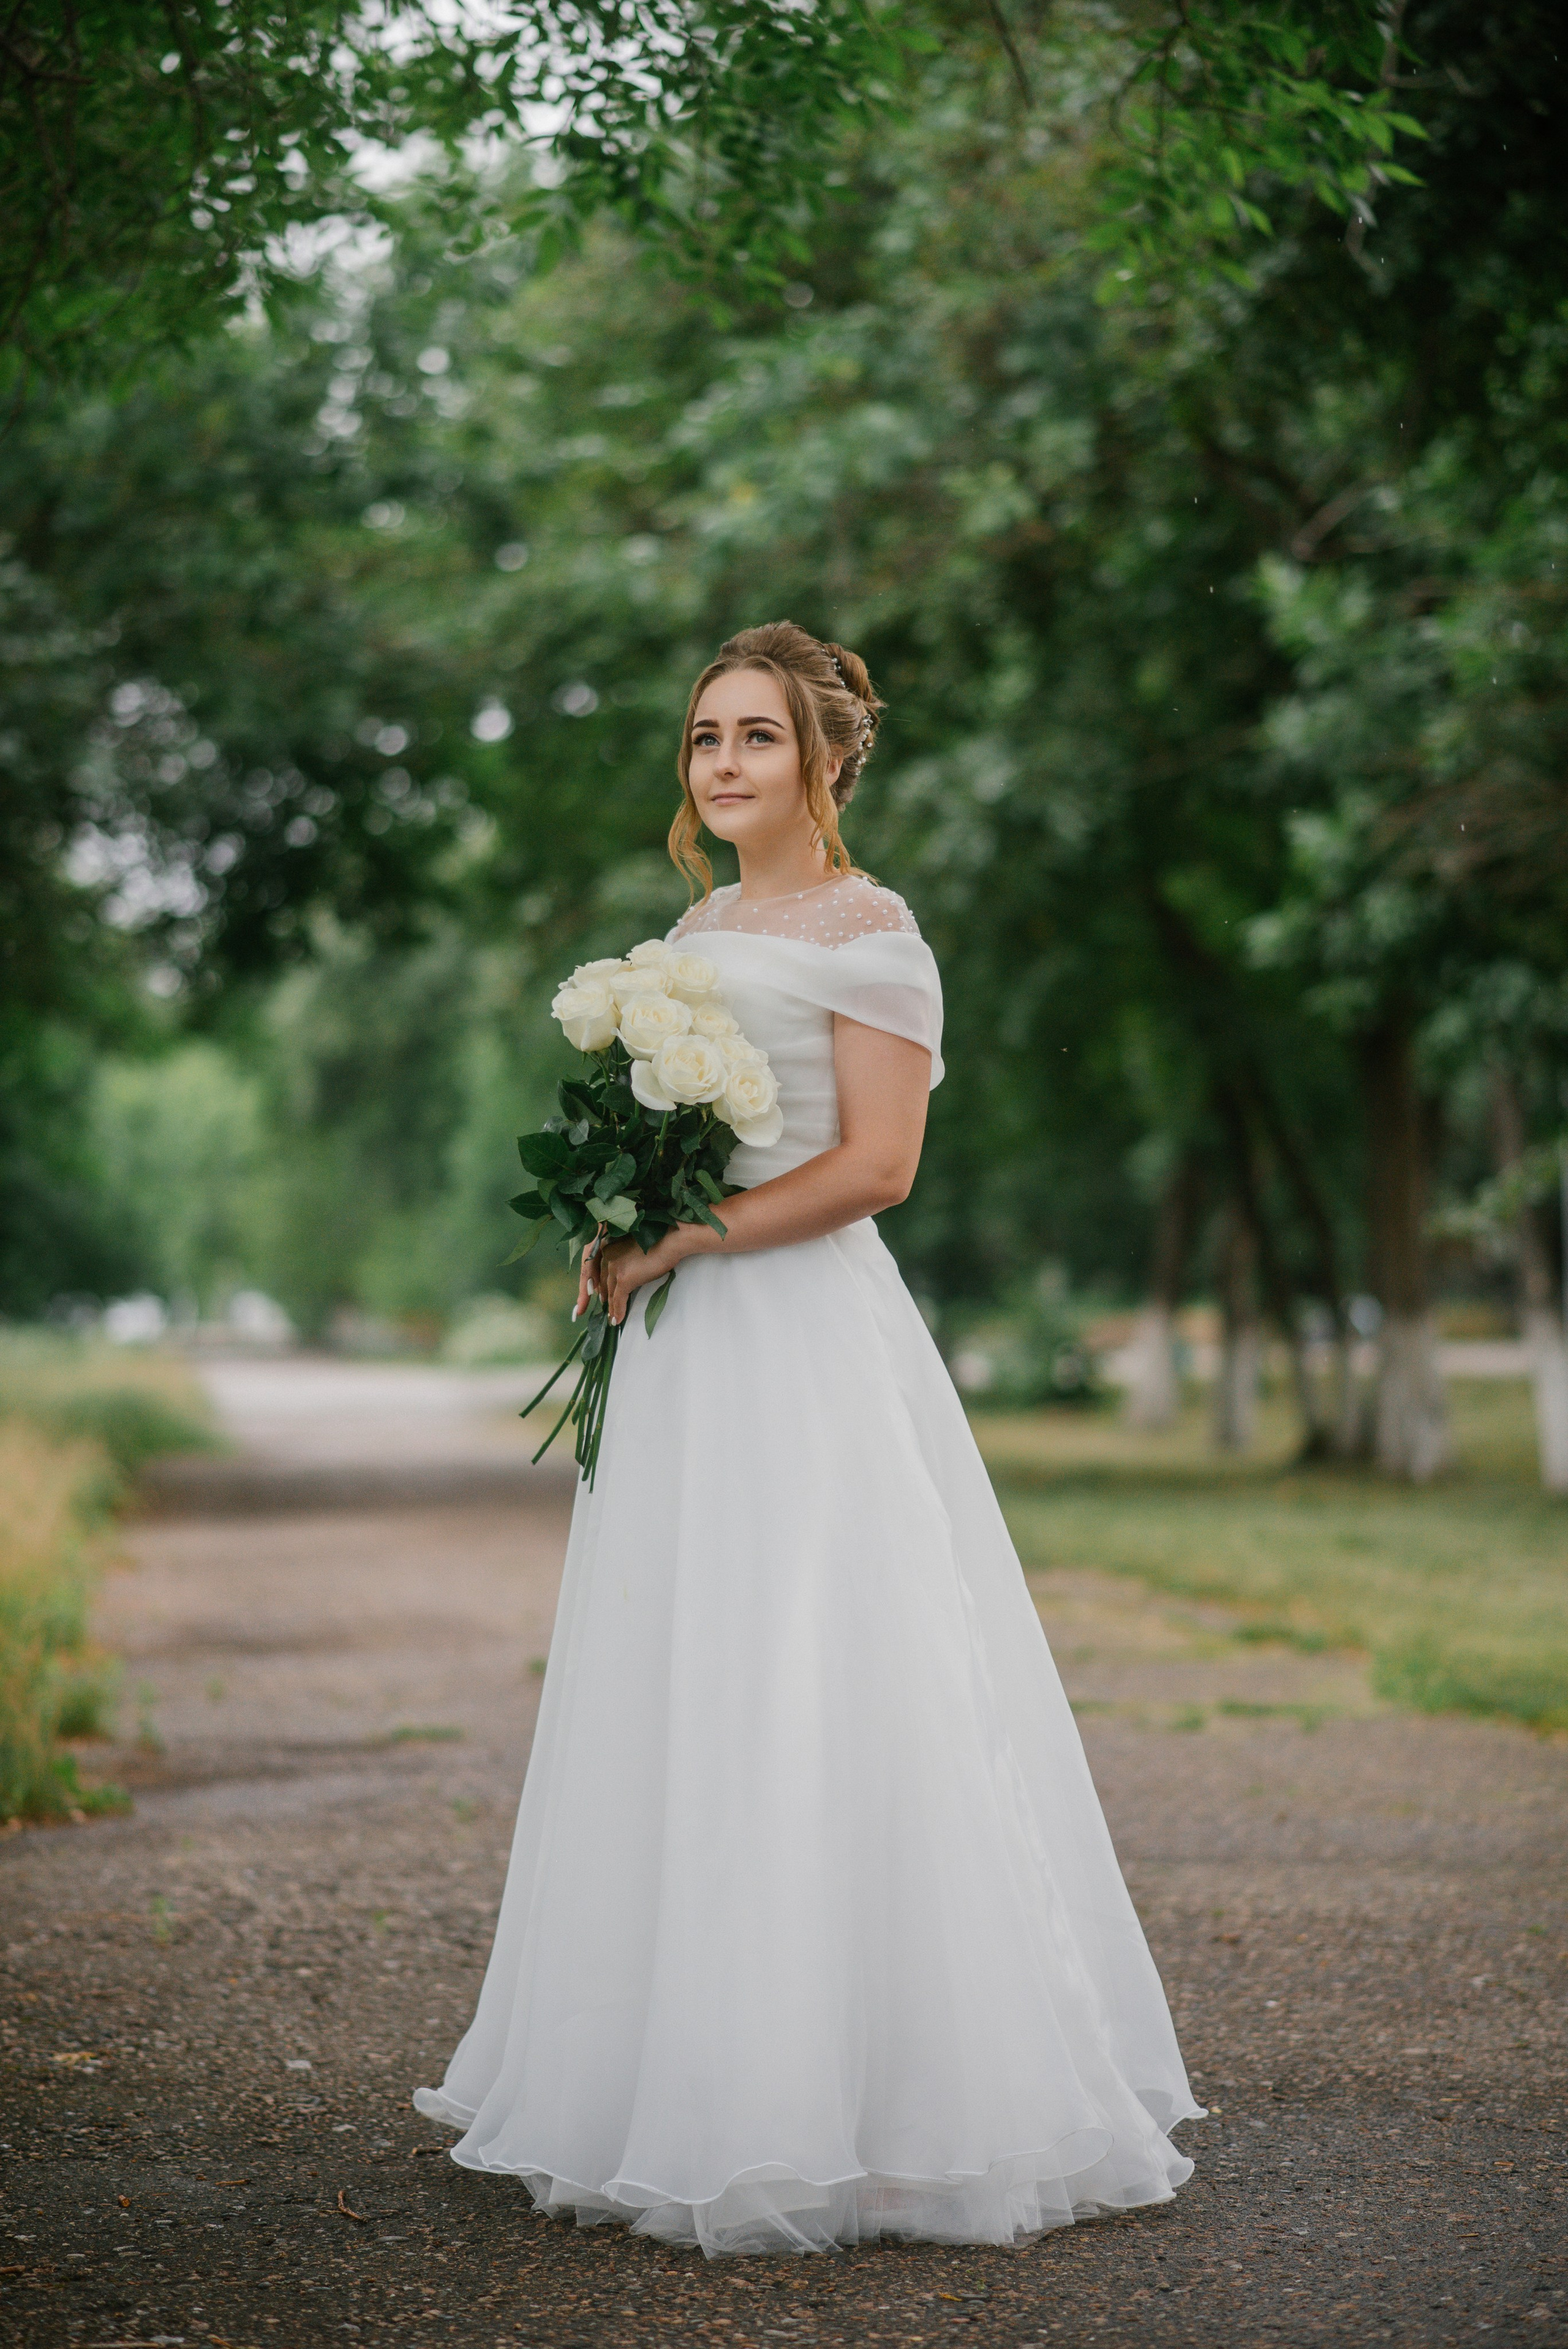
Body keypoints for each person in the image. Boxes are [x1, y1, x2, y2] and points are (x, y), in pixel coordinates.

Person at [413, 621, 1202, 2256]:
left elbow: (877, 1168)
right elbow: (682, 1128)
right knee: (685, 1672)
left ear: (828, 757)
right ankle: (677, 2070)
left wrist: (684, 1238)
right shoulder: (697, 924)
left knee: (825, 1669)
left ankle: (892, 2105)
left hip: (805, 1339)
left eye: (757, 736)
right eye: (705, 735)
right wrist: (617, 1219)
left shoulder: (877, 931)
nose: (722, 762)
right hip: (692, 1351)